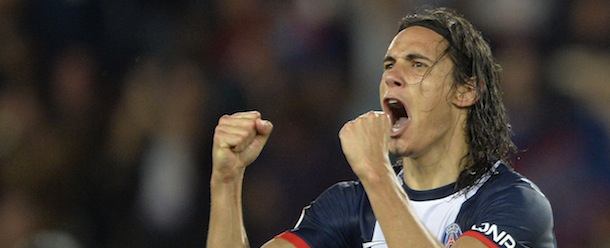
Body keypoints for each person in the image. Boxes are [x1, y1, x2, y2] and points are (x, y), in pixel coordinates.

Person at [207, 7, 556, 248]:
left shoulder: (515, 204)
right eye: (388, 65)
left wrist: (376, 172)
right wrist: (227, 181)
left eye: (416, 64)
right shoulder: (350, 205)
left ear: (466, 90)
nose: (392, 76)